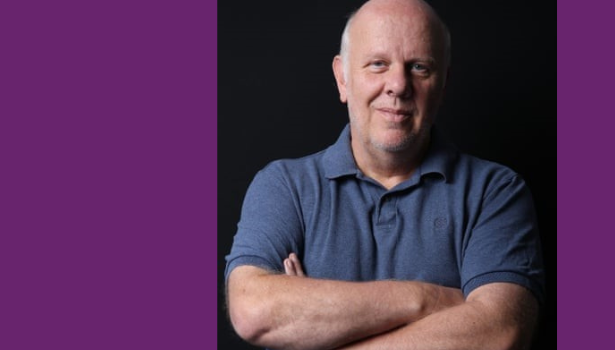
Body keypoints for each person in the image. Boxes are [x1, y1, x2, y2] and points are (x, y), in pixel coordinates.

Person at [224, 0, 545, 348]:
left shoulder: (495, 192)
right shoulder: (284, 186)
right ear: (342, 78)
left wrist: (318, 325)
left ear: (443, 84)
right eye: (378, 64)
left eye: (419, 67)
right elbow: (253, 308)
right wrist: (430, 301)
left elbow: (499, 332)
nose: (398, 85)